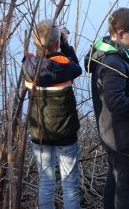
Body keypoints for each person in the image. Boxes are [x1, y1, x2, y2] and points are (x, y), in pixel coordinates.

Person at [84, 7, 129, 209]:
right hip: (121, 133)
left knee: (115, 178)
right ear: (120, 33)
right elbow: (115, 101)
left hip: (114, 131)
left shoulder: (115, 55)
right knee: (125, 185)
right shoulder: (113, 63)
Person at [23, 19, 82, 209]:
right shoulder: (66, 66)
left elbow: (44, 58)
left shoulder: (28, 65)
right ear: (57, 43)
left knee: (46, 182)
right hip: (65, 134)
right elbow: (75, 67)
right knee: (70, 185)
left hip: (40, 133)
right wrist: (65, 43)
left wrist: (55, 43)